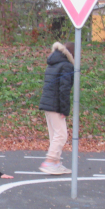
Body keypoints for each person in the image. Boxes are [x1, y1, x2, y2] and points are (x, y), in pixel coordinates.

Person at [39, 42, 74, 175]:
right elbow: (64, 89)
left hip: (48, 103)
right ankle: (49, 161)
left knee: (55, 134)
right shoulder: (66, 65)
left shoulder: (53, 63)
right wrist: (64, 109)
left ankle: (56, 163)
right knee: (61, 135)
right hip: (55, 104)